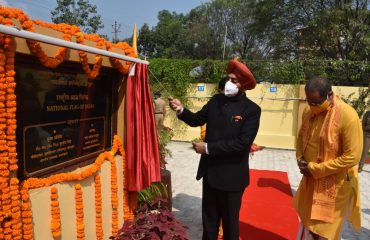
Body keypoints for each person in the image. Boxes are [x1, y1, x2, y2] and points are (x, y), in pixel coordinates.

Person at [169, 60, 261, 240]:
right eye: (229, 78)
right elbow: (197, 119)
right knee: (209, 222)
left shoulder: (252, 110)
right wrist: (181, 110)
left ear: (243, 85)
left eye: (234, 80)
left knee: (230, 225)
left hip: (232, 178)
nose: (229, 83)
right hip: (211, 174)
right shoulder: (215, 100)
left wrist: (208, 148)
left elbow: (242, 143)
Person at [294, 77, 363, 240]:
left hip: (334, 185)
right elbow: (300, 138)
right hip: (310, 180)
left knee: (322, 232)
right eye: (309, 102)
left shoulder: (348, 115)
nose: (312, 107)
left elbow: (352, 157)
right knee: (307, 225)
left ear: (330, 95)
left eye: (316, 103)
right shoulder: (308, 111)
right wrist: (300, 158)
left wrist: (316, 169)